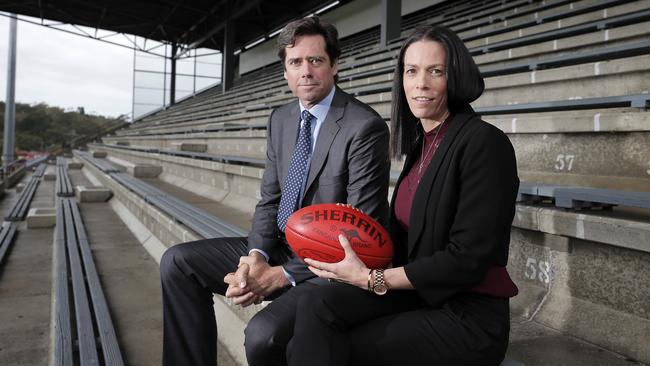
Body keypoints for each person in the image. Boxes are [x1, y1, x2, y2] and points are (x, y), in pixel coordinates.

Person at [159, 16, 390, 366]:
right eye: (295, 62)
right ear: (285, 72)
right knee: (178, 263)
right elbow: (270, 201)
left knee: (263, 336)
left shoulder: (364, 127)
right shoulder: (280, 119)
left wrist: (282, 275)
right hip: (279, 246)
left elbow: (362, 238)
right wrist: (256, 258)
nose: (306, 71)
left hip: (329, 265)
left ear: (334, 65)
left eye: (316, 60)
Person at [287, 24, 520, 366]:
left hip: (467, 315)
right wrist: (353, 232)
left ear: (455, 77)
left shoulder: (484, 143)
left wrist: (371, 279)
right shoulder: (422, 145)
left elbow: (467, 259)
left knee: (329, 348)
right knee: (315, 305)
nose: (420, 83)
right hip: (420, 296)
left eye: (435, 71)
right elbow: (405, 237)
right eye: (411, 71)